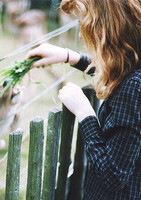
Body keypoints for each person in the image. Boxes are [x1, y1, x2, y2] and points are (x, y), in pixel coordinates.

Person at [26, 0, 141, 199]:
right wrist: (71, 57)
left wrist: (85, 114)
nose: (80, 34)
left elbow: (113, 176)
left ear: (108, 27)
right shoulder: (134, 67)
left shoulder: (134, 89)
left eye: (85, 24)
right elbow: (121, 68)